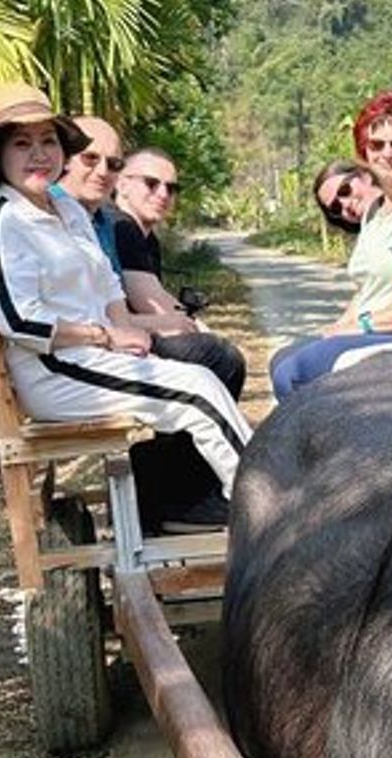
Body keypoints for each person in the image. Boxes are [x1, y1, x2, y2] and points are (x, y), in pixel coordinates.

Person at [0, 82, 248, 532]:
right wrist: (103, 335)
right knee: (195, 393)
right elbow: (18, 320)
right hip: (55, 369)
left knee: (204, 374)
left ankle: (229, 500)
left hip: (95, 356)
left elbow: (107, 284)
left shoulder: (67, 211)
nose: (38, 154)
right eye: (21, 144)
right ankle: (262, 507)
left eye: (48, 141)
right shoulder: (5, 221)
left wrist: (126, 334)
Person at [272, 90, 392, 400]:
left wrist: (362, 326)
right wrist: (339, 326)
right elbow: (366, 289)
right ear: (364, 152)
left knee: (294, 373)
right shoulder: (375, 212)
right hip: (369, 329)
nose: (387, 154)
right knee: (281, 358)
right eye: (376, 145)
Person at [110, 147, 252, 526]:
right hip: (112, 344)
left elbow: (161, 306)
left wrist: (188, 324)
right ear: (122, 183)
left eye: (171, 188)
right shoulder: (122, 227)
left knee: (213, 353)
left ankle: (168, 483)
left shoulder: (142, 235)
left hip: (126, 337)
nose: (163, 194)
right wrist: (197, 329)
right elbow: (155, 305)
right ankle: (179, 495)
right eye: (151, 183)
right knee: (216, 358)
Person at [53, 115, 124, 271]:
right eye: (90, 158)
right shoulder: (44, 210)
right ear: (64, 159)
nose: (103, 171)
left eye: (113, 164)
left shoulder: (103, 220)